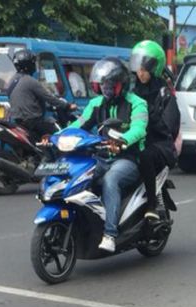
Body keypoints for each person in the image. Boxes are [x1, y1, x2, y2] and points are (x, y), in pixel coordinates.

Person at [68, 57, 149, 253]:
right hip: (100, 157)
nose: (107, 88)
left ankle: (110, 234)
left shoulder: (137, 103)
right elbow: (79, 124)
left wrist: (122, 142)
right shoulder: (96, 103)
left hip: (127, 159)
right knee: (76, 177)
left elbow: (139, 129)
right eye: (103, 84)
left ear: (122, 84)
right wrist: (55, 137)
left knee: (110, 180)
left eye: (111, 84)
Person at [129, 40, 180, 221]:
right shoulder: (132, 92)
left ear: (153, 68)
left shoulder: (164, 94)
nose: (140, 73)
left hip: (159, 145)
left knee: (145, 156)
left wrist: (148, 116)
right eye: (138, 68)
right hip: (133, 141)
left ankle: (151, 204)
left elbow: (169, 128)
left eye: (143, 69)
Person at [5, 48, 71, 140]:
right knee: (57, 134)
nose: (34, 65)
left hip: (18, 121)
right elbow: (49, 98)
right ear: (28, 64)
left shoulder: (11, 81)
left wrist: (47, 106)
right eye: (33, 62)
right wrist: (67, 105)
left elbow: (28, 99)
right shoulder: (30, 81)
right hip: (33, 123)